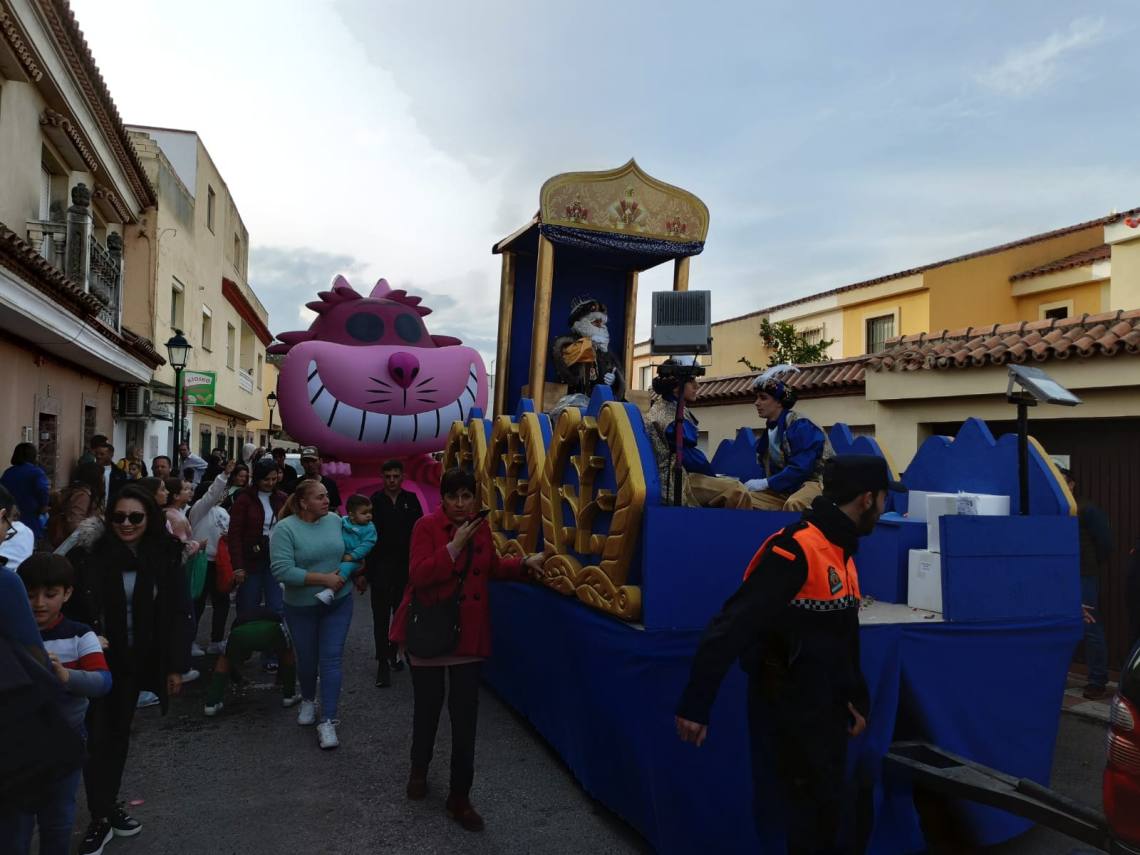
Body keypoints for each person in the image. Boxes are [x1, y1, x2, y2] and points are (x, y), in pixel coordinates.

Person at [675, 455, 905, 853]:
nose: (885, 508)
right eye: (885, 499)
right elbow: (732, 624)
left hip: (825, 708)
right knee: (797, 818)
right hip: (786, 708)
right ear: (867, 499)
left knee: (825, 812)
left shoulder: (842, 551)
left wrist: (854, 697)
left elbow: (842, 638)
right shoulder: (795, 549)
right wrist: (696, 704)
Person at [390, 468, 545, 831]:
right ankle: (419, 769)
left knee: (465, 720)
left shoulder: (481, 528)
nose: (460, 504)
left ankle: (460, 797)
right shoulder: (426, 527)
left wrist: (523, 564)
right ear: (442, 498)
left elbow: (490, 568)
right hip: (431, 629)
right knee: (427, 710)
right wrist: (453, 546)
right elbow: (418, 575)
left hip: (468, 634)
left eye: (466, 496)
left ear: (475, 498)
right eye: (453, 496)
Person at [65, 485, 192, 855]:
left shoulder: (165, 554)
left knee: (117, 736)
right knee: (98, 738)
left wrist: (175, 666)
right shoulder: (88, 555)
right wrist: (87, 637)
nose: (126, 523)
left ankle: (106, 807)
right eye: (118, 516)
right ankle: (101, 816)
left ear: (149, 518)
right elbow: (71, 604)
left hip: (139, 661)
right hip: (98, 661)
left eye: (135, 517)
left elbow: (178, 612)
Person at [3, 554, 112, 855]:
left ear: (67, 593)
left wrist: (66, 676)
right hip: (18, 745)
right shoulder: (11, 636)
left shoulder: (80, 635)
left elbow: (102, 682)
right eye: (30, 595)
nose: (39, 603)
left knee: (58, 818)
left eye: (50, 594)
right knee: (17, 822)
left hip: (66, 739)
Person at [269, 479, 352, 750]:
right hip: (301, 607)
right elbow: (282, 570)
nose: (327, 500)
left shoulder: (336, 521)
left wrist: (353, 568)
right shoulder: (285, 529)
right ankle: (307, 699)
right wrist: (323, 579)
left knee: (331, 659)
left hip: (338, 602)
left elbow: (350, 549)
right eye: (320, 497)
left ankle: (328, 720)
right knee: (307, 659)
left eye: (327, 495)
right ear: (303, 503)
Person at [644, 361, 754, 509]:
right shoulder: (670, 420)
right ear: (676, 387)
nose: (697, 386)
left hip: (678, 476)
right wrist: (713, 476)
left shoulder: (667, 407)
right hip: (675, 483)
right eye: (691, 381)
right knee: (737, 490)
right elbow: (691, 459)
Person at [363, 459, 423, 687]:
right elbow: (367, 537)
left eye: (395, 476)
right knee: (380, 618)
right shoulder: (375, 501)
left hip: (405, 570)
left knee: (402, 616)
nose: (391, 481)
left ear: (402, 477)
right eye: (387, 476)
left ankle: (394, 652)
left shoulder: (411, 500)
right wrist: (365, 573)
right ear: (382, 477)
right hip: (380, 568)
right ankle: (382, 662)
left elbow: (419, 535)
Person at [745, 365, 833, 512]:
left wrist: (766, 483)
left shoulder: (800, 425)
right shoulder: (770, 430)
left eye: (763, 398)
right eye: (757, 397)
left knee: (795, 503)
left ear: (779, 402)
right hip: (786, 487)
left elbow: (802, 468)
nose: (756, 403)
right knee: (744, 498)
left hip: (816, 483)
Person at [1062, 468, 1113, 700]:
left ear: (1072, 484)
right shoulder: (1054, 508)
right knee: (1061, 624)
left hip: (1084, 574)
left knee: (1090, 626)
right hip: (1059, 575)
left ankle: (1097, 681)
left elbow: (1105, 543)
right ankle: (1059, 674)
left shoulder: (1086, 508)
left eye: (1062, 481)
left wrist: (1091, 563)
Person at [203, 608, 300, 717]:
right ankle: (289, 696)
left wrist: (238, 679)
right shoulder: (277, 626)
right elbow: (283, 655)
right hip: (271, 629)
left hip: (241, 631)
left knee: (224, 659)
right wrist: (280, 679)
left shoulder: (235, 631)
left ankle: (211, 704)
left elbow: (229, 659)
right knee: (287, 651)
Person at [229, 459, 288, 622]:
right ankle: (246, 636)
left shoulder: (282, 498)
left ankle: (276, 636)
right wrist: (238, 566)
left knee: (277, 606)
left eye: (274, 479)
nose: (270, 483)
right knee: (248, 606)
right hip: (250, 560)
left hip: (276, 558)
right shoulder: (244, 499)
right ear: (257, 478)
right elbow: (234, 534)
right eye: (266, 479)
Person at [550, 296, 626, 402]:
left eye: (601, 323)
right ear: (582, 322)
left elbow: (614, 369)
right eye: (595, 322)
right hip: (575, 398)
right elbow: (565, 367)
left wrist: (614, 380)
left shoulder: (605, 349)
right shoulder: (570, 343)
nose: (600, 326)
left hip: (601, 400)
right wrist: (588, 344)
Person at [318, 494, 375, 606]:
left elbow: (367, 545)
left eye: (370, 512)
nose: (369, 515)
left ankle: (331, 591)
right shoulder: (343, 521)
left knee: (344, 568)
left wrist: (352, 556)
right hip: (341, 554)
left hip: (354, 559)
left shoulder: (369, 528)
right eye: (364, 513)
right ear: (351, 515)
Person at [2, 442, 51, 543]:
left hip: (9, 518)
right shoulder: (36, 472)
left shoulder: (8, 473)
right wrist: (44, 506)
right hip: (30, 516)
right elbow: (43, 491)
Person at [298, 446, 341, 512]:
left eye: (313, 461)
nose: (310, 464)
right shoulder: (293, 486)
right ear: (301, 462)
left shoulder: (330, 484)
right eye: (306, 461)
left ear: (320, 461)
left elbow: (335, 509)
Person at [93, 440, 127, 508]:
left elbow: (122, 493)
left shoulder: (120, 474)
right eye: (96, 453)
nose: (98, 456)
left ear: (111, 455)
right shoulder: (89, 471)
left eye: (102, 454)